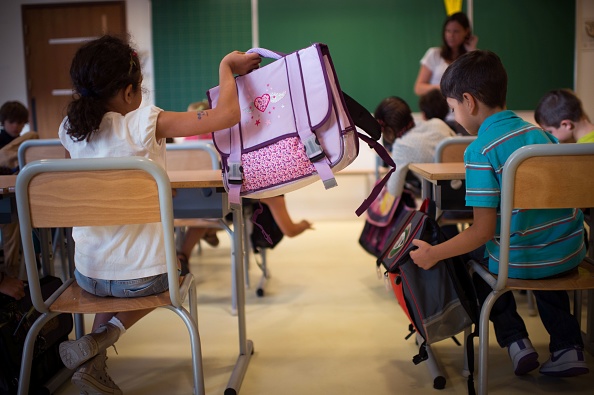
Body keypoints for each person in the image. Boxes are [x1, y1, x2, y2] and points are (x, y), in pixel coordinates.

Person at [57, 34, 260, 394]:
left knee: (112, 278)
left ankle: (91, 358)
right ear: (128, 91)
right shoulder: (144, 123)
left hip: (87, 275)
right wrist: (226, 67)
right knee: (174, 270)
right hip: (144, 280)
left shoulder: (70, 132)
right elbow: (227, 116)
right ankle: (104, 338)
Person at [410, 50, 588, 378]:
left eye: (453, 108)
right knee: (541, 246)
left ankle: (515, 340)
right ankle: (568, 346)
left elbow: (479, 232)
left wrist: (434, 253)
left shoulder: (479, 151)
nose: (455, 116)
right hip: (570, 250)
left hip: (524, 259)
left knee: (471, 259)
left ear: (469, 101)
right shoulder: (542, 135)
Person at [374, 96, 455, 199]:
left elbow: (394, 190)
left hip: (443, 202)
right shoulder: (438, 123)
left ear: (388, 131)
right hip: (470, 188)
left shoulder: (402, 145)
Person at [414, 12, 477, 135]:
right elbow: (419, 88)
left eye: (456, 31)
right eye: (448, 31)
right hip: (437, 118)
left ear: (466, 32)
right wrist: (443, 87)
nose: (451, 35)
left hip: (464, 120)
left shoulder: (472, 56)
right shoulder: (434, 54)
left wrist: (472, 50)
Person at [0, 101, 37, 298]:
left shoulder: (26, 144)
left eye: (20, 123)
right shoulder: (18, 143)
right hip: (4, 196)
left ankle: (11, 271)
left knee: (13, 223)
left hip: (10, 197)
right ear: (4, 121)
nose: (17, 126)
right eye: (12, 122)